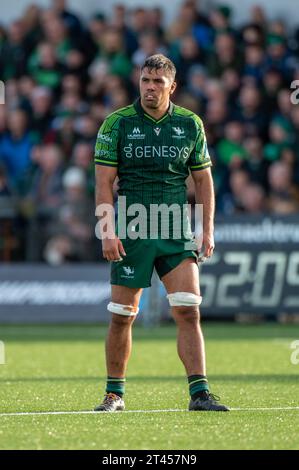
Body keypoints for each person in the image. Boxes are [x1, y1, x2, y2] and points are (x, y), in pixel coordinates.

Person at [94, 54, 229, 412]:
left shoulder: (190, 124)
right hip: (133, 228)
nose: (150, 88)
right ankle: (114, 395)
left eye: (157, 82)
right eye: (145, 81)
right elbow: (104, 181)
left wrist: (207, 229)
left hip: (175, 228)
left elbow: (203, 180)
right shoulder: (116, 124)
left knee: (188, 310)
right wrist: (107, 229)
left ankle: (199, 393)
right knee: (122, 313)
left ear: (172, 86)